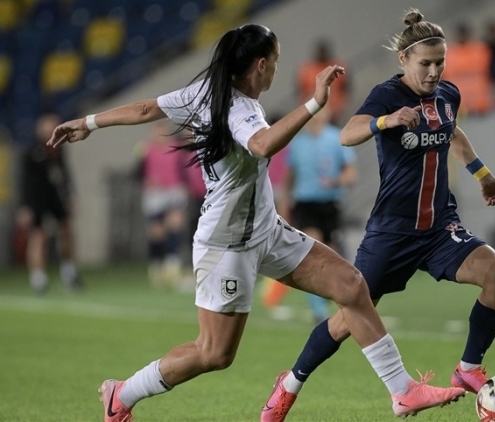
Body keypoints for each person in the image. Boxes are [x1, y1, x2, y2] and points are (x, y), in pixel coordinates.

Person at [47, 24, 465, 422]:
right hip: (226, 243)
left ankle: (402, 391)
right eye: (276, 62)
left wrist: (87, 123)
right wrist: (314, 103)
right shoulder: (240, 108)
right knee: (214, 354)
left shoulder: (203, 91)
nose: (276, 70)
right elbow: (262, 144)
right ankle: (122, 394)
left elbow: (145, 108)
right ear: (261, 65)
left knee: (351, 286)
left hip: (266, 230)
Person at [261, 10, 495, 422]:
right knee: (347, 321)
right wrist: (387, 121)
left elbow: (452, 132)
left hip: (440, 227)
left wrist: (483, 176)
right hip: (392, 232)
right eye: (425, 63)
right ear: (404, 60)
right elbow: (348, 134)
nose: (433, 72)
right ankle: (289, 384)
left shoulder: (448, 95)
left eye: (440, 63)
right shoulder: (387, 95)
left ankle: (468, 368)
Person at [262, 105, 357, 324]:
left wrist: (337, 180)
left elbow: (351, 173)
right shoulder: (298, 143)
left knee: (333, 258)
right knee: (315, 252)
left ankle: (334, 301)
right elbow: (289, 177)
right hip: (305, 204)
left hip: (330, 204)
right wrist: (284, 205)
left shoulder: (336, 138)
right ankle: (319, 311)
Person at [18, 112, 81, 293]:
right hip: (36, 199)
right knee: (39, 236)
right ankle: (38, 278)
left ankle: (68, 272)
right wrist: (26, 206)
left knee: (66, 231)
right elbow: (25, 181)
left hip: (55, 196)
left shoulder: (59, 150)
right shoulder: (32, 152)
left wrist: (70, 195)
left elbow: (65, 174)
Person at [135, 120, 189, 287]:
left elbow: (184, 168)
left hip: (174, 191)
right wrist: (147, 180)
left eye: (163, 128)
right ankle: (155, 265)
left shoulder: (177, 147)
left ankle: (172, 265)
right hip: (155, 194)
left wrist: (187, 186)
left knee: (175, 223)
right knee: (156, 231)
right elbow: (137, 172)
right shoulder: (144, 148)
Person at [442, 23, 492, 115]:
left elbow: (483, 66)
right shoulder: (449, 52)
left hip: (479, 99)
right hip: (458, 101)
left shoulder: (479, 49)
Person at [297, 39, 349, 125]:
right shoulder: (307, 69)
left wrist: (342, 106)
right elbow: (301, 90)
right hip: (313, 110)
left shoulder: (337, 67)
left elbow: (346, 89)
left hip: (334, 112)